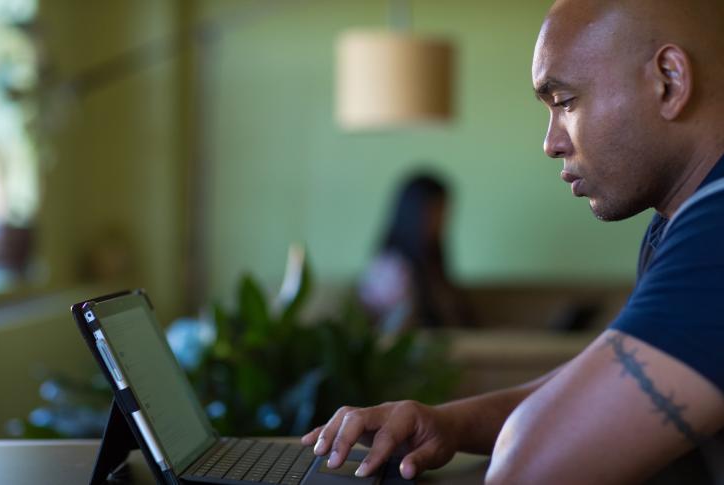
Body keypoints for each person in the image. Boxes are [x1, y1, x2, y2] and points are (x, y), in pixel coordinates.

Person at [301, 0, 724, 483]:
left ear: (668, 80)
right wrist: (449, 424)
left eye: (565, 102)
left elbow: (525, 471)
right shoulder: (677, 222)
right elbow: (588, 396)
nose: (551, 143)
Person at [358, 173, 471, 331]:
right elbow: (385, 335)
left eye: (444, 212)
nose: (442, 221)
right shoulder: (391, 269)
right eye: (435, 212)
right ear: (412, 214)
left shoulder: (432, 265)